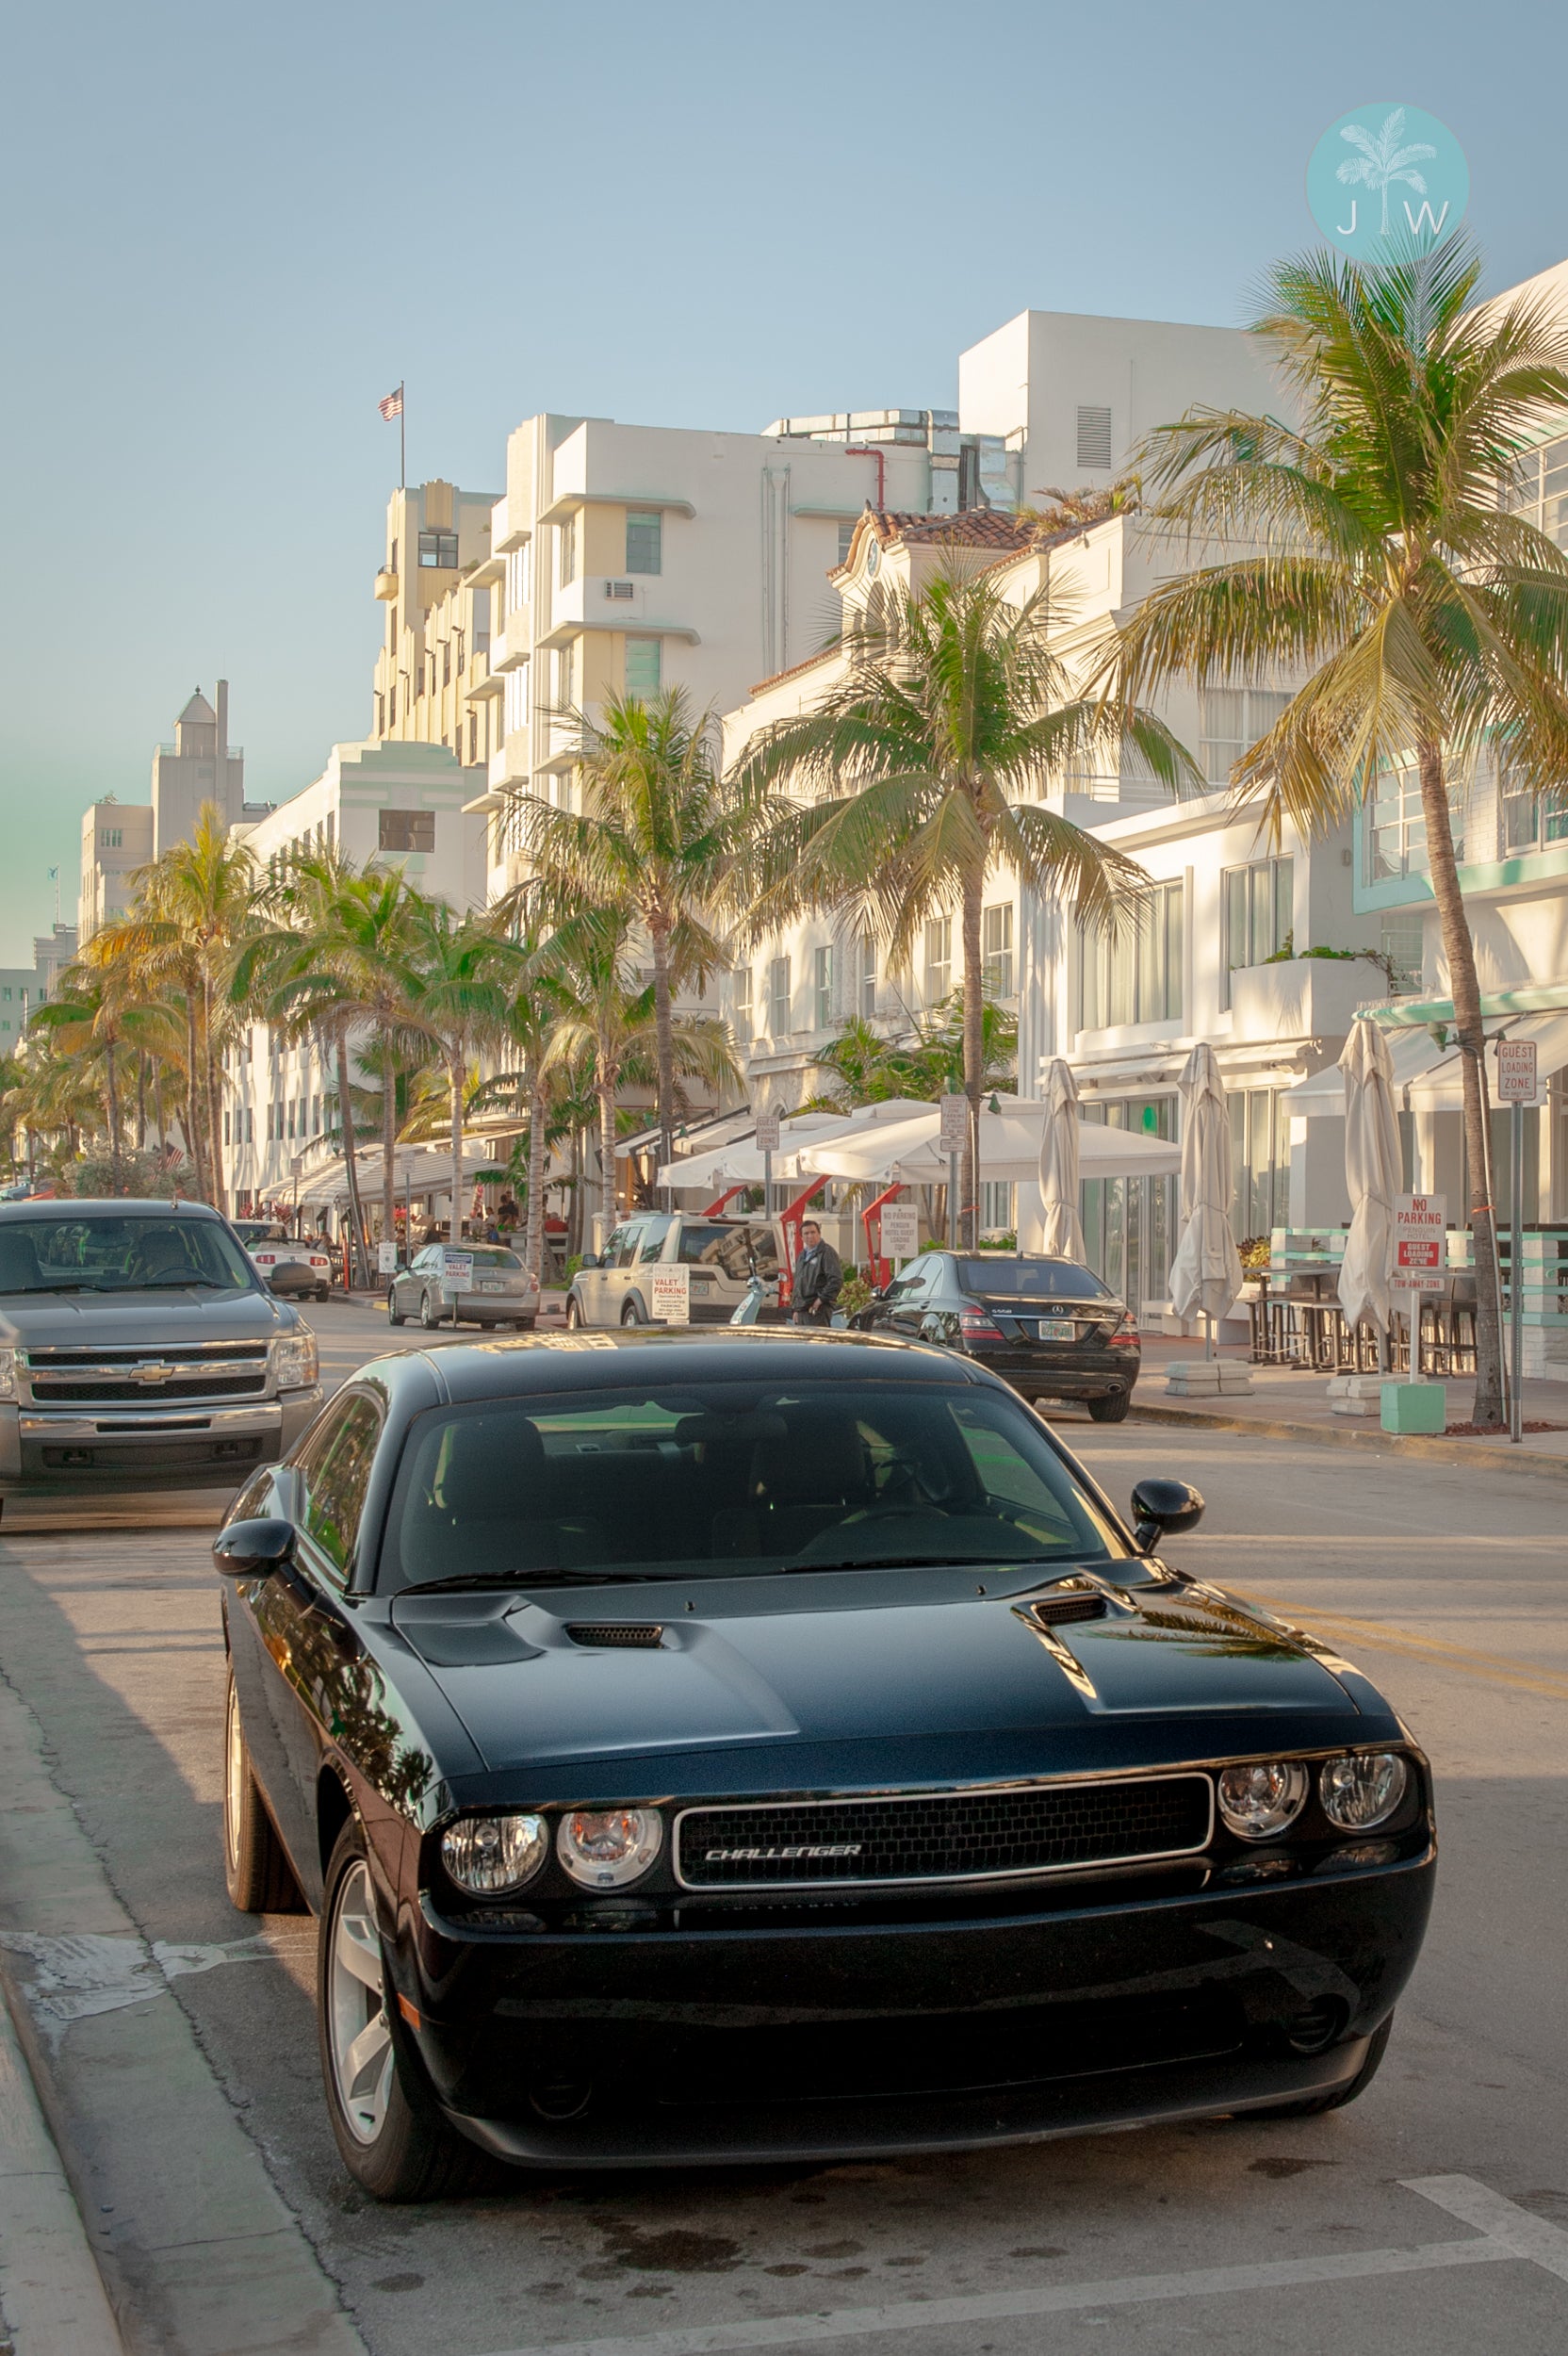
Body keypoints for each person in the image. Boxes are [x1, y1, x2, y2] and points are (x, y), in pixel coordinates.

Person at [791, 1219, 842, 1325]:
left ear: (819, 1233)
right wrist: (796, 1309)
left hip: (818, 1310)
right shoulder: (801, 1256)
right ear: (801, 1237)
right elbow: (798, 1284)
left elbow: (836, 1280)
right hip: (802, 1311)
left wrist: (820, 1300)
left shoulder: (827, 1253)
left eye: (813, 1232)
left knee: (816, 1342)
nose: (810, 1236)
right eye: (806, 1233)